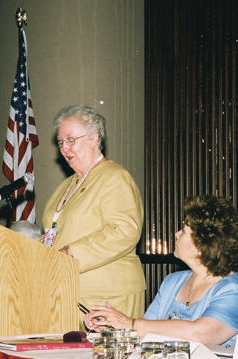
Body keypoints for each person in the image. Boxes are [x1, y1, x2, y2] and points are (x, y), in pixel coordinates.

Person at [85, 195, 238, 346]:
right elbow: (147, 332)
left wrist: (130, 323)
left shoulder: (235, 292)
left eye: (184, 231)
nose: (176, 234)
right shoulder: (173, 282)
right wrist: (113, 328)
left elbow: (201, 335)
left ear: (204, 244)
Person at [42, 105, 145, 320]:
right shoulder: (67, 185)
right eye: (60, 143)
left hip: (108, 296)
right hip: (68, 293)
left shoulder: (114, 177)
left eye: (71, 140)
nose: (64, 149)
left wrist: (70, 254)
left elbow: (124, 231)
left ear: (94, 138)